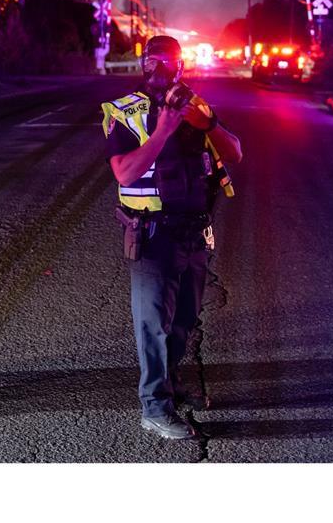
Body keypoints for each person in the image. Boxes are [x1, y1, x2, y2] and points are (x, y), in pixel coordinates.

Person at [102, 35, 242, 440]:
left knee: (183, 319)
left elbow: (234, 153)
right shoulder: (125, 112)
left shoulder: (197, 107)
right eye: (153, 62)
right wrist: (162, 131)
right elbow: (124, 173)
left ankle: (173, 381)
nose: (161, 70)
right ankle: (154, 406)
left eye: (170, 61)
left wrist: (209, 124)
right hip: (152, 235)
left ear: (182, 64)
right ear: (143, 65)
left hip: (194, 232)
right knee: (153, 325)